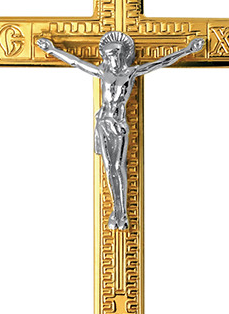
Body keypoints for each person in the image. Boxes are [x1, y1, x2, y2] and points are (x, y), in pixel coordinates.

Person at [37, 31, 205, 229]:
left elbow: (161, 62)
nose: (112, 59)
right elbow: (76, 62)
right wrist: (52, 50)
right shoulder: (103, 72)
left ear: (123, 54)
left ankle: (122, 213)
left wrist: (187, 50)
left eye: (115, 54)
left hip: (118, 125)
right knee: (109, 168)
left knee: (118, 167)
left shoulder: (130, 73)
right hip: (103, 123)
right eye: (109, 55)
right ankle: (116, 212)